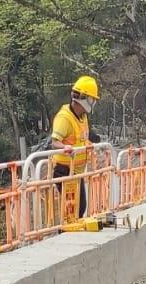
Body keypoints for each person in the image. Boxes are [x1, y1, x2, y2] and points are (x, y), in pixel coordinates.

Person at [52, 75, 101, 218]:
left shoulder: (83, 117)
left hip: (77, 171)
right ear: (83, 98)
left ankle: (70, 230)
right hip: (64, 170)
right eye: (92, 99)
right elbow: (55, 141)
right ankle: (65, 233)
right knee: (73, 208)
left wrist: (91, 144)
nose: (92, 103)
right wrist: (65, 148)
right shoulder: (64, 118)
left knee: (80, 207)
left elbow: (83, 137)